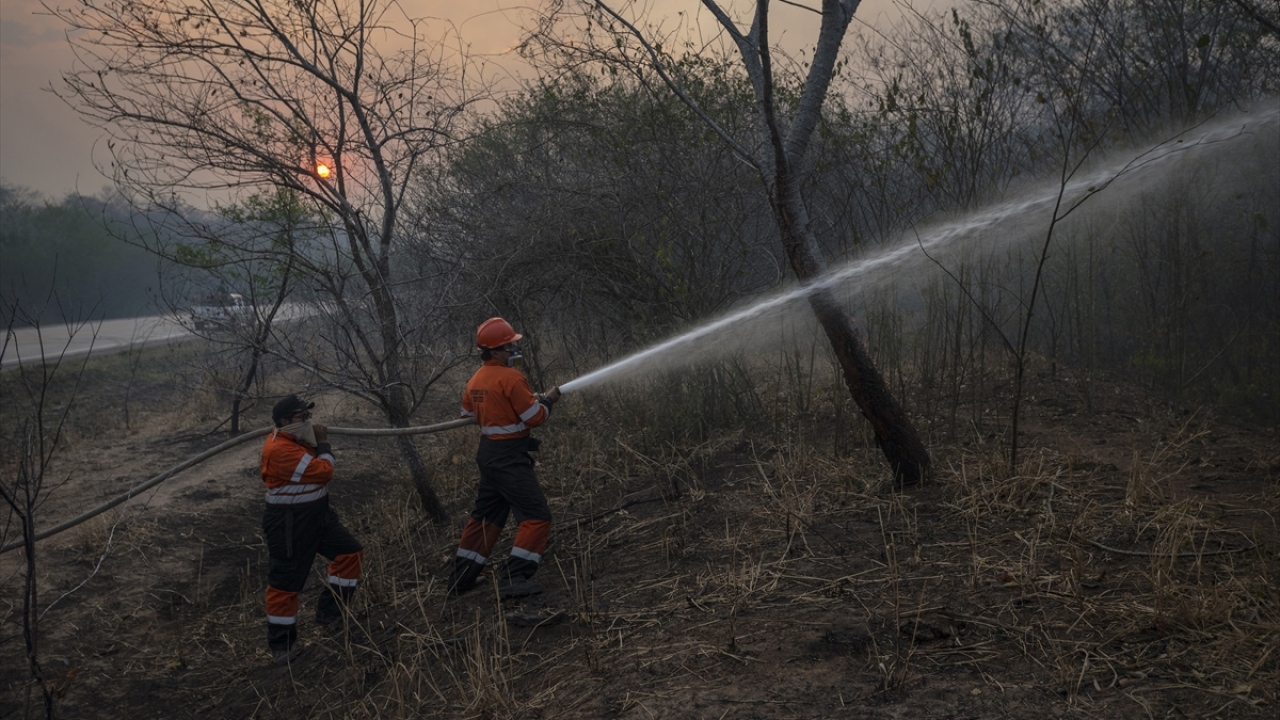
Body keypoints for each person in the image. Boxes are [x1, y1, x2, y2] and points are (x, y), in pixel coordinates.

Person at [448, 317, 562, 599]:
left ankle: (461, 578)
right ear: (496, 351)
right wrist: (548, 400)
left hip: (488, 455)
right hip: (509, 458)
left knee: (487, 517)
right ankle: (514, 578)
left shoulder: (475, 379)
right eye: (509, 346)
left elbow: (468, 415)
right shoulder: (512, 377)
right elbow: (535, 418)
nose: (513, 350)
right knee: (537, 516)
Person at [260, 394, 364, 666]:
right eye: (302, 417)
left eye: (308, 416)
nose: (308, 421)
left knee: (350, 554)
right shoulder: (279, 450)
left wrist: (314, 440)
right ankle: (281, 647)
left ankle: (330, 614)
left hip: (318, 516)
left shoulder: (296, 440)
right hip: (289, 524)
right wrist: (324, 444)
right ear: (285, 421)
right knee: (285, 582)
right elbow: (324, 470)